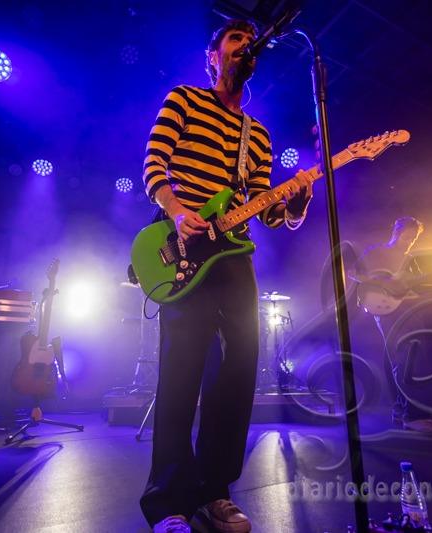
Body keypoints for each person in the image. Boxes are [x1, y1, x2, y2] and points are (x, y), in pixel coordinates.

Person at [138, 19, 314, 533]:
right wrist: (177, 212)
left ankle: (215, 491)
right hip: (185, 245)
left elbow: (266, 208)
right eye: (234, 38)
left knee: (238, 372)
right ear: (212, 56)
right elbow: (154, 164)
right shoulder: (185, 100)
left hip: (235, 254)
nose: (244, 45)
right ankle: (168, 504)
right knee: (181, 372)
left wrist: (295, 205)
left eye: (248, 40)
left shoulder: (257, 135)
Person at [352, 216, 432, 433]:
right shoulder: (377, 252)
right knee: (407, 358)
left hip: (408, 310)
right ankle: (413, 416)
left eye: (414, 239)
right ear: (396, 233)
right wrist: (383, 282)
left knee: (405, 359)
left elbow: (413, 288)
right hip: (386, 310)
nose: (410, 242)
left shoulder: (410, 259)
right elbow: (353, 273)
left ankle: (401, 410)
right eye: (407, 237)